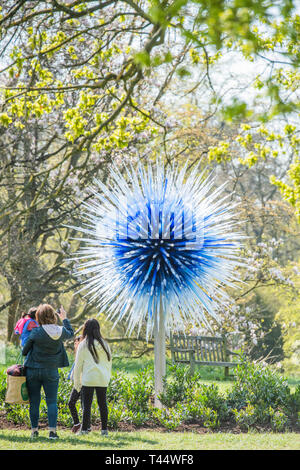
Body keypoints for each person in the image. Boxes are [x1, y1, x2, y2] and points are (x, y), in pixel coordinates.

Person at [22, 303, 74, 440]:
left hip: (33, 370)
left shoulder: (36, 332)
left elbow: (24, 351)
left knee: (34, 401)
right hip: (51, 371)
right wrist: (64, 318)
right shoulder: (61, 331)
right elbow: (71, 333)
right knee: (51, 401)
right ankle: (52, 432)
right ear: (53, 316)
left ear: (38, 316)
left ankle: (34, 431)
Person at [73, 318, 112, 436]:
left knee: (87, 405)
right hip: (102, 378)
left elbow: (78, 366)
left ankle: (84, 430)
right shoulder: (105, 344)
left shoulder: (83, 345)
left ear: (85, 329)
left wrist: (77, 383)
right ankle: (104, 430)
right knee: (102, 404)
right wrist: (107, 378)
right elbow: (109, 362)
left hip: (88, 379)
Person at [67, 335, 91, 433]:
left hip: (83, 384)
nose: (75, 345)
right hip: (77, 384)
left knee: (83, 406)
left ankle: (86, 426)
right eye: (75, 343)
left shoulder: (84, 355)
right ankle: (78, 424)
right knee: (72, 403)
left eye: (78, 343)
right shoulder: (77, 355)